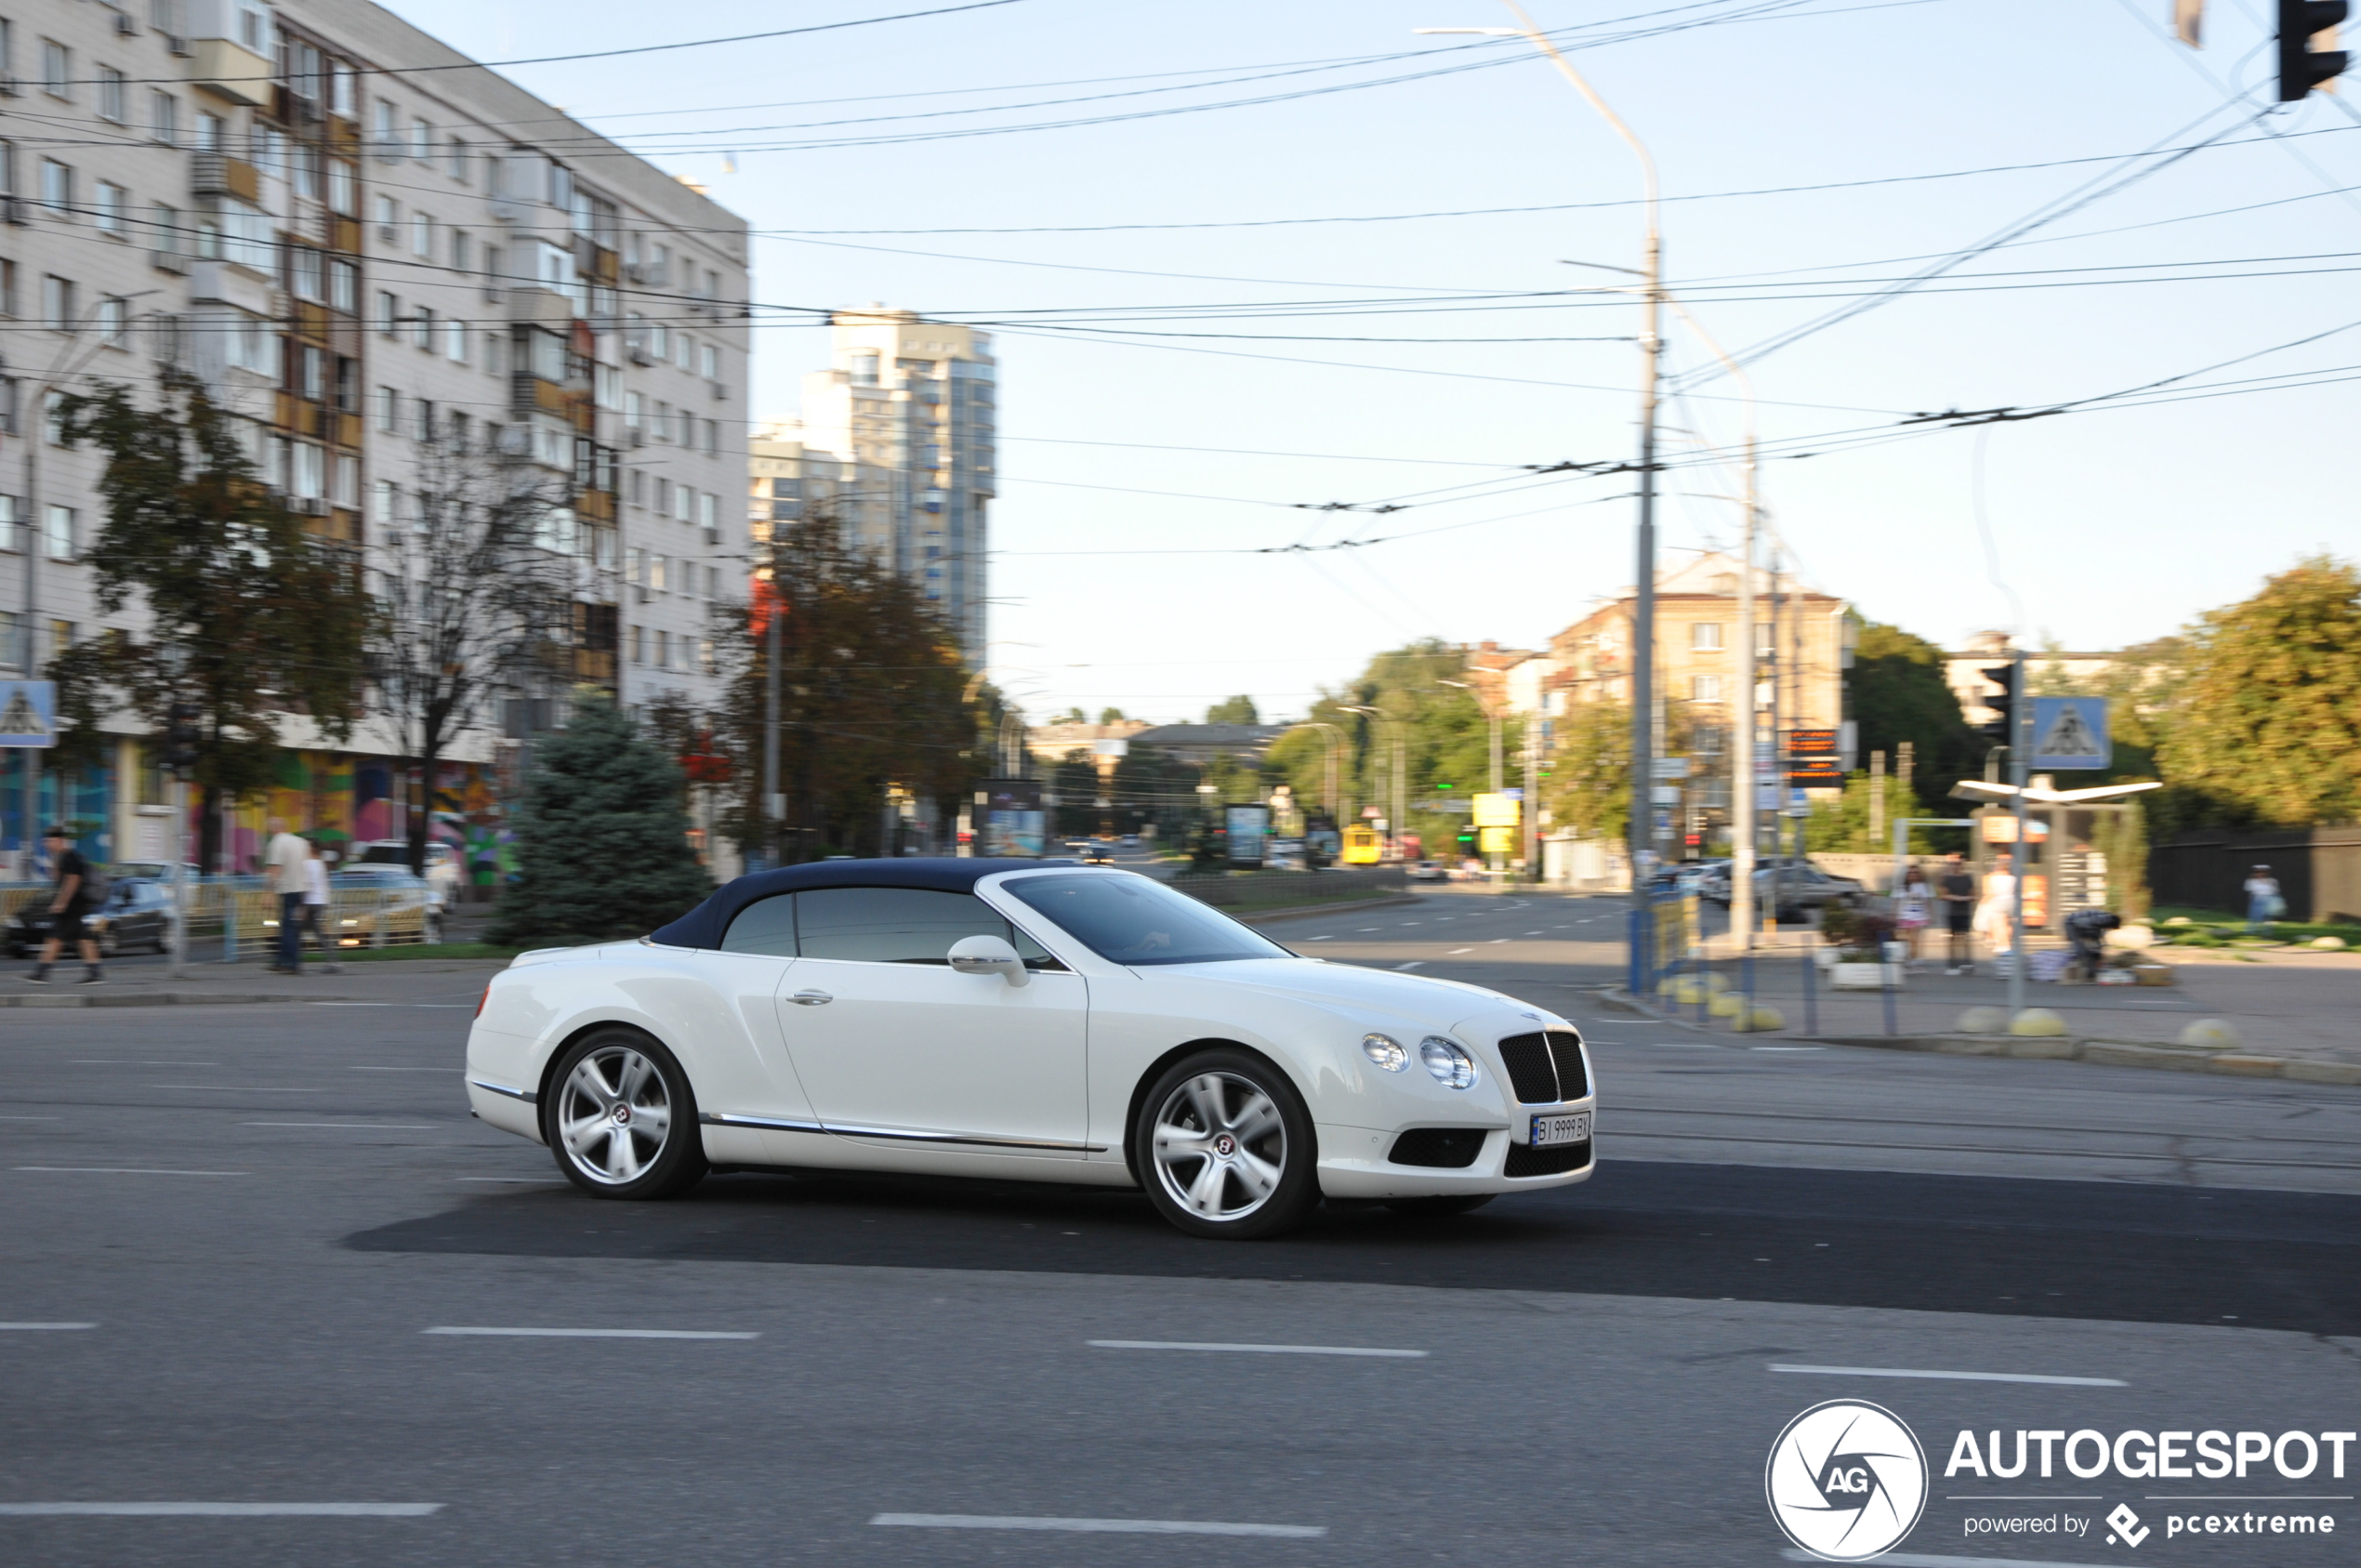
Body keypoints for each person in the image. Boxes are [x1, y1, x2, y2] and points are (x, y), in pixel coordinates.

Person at [25, 825, 102, 985]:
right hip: (76, 906)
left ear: (59, 840)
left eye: (49, 841)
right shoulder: (62, 857)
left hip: (70, 907)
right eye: (45, 841)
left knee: (54, 938)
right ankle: (95, 974)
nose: (47, 844)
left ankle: (41, 974)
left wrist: (61, 903)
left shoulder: (70, 857)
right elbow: (57, 878)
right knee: (84, 939)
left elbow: (72, 881)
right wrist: (53, 859)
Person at [263, 818, 310, 975]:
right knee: (291, 926)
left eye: (270, 829)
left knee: (287, 927)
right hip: (302, 889)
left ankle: (290, 962)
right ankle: (282, 960)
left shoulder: (277, 842)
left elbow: (275, 868)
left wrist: (268, 893)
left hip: (288, 889)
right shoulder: (301, 842)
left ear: (274, 829)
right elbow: (308, 865)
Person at [300, 838, 341, 974]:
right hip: (320, 901)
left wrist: (303, 906)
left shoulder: (308, 864)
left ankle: (293, 962)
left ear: (311, 849)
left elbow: (308, 885)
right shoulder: (321, 863)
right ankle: (332, 961)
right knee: (317, 932)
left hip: (311, 901)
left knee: (295, 929)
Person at [1974, 852, 2019, 963]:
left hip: (1998, 901)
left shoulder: (1990, 878)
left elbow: (1989, 893)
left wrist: (1983, 902)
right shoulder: (2012, 878)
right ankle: (2008, 943)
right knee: (2008, 924)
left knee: (1999, 924)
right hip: (2011, 901)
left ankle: (2003, 946)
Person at [1937, 852, 1977, 975]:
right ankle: (1952, 964)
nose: (1956, 866)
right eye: (1953, 864)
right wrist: (1957, 898)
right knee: (1953, 939)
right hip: (1952, 911)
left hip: (1964, 911)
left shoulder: (1968, 878)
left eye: (1958, 864)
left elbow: (1973, 895)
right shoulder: (1947, 878)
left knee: (1965, 938)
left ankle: (1967, 963)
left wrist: (1967, 898)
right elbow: (1943, 895)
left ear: (1962, 865)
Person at [1894, 866, 1932, 965]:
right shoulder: (1902, 887)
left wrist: (1930, 914)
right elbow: (1897, 901)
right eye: (1910, 873)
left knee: (1915, 939)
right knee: (1907, 939)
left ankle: (1914, 958)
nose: (1913, 875)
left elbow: (1926, 901)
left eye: (1915, 873)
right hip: (1905, 916)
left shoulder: (1922, 886)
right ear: (1907, 875)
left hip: (1919, 916)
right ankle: (1909, 956)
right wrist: (1894, 913)